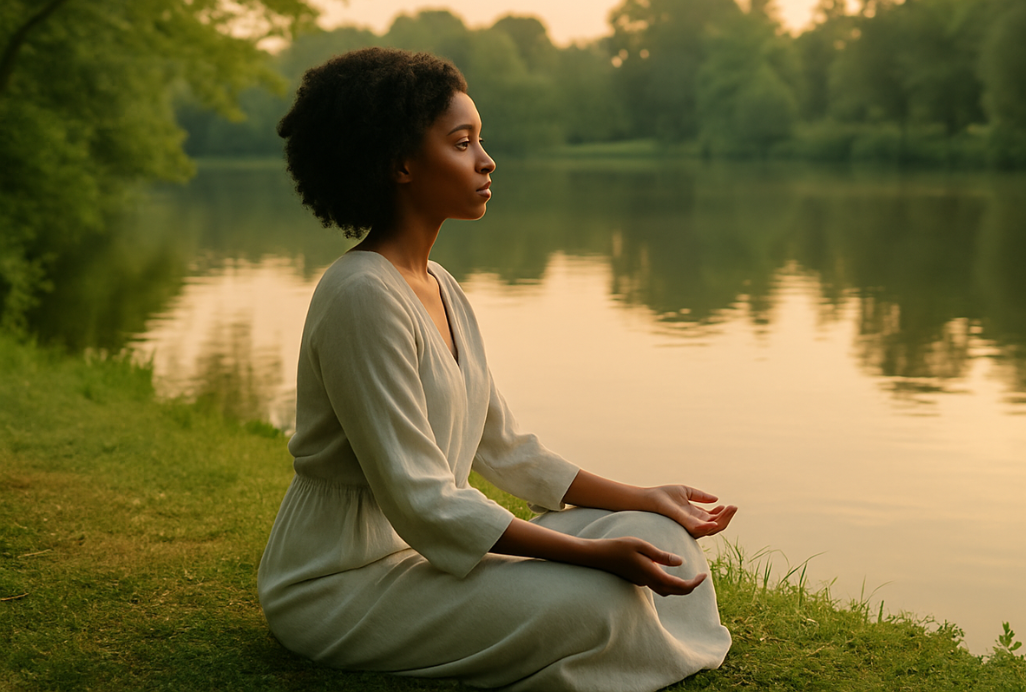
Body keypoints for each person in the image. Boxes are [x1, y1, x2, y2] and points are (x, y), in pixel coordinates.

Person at [258, 47, 736, 691]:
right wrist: (591, 554)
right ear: (400, 163)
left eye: (481, 140)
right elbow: (423, 501)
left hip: (432, 561)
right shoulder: (360, 295)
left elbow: (506, 449)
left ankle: (631, 610)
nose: (486, 161)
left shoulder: (443, 287)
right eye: (462, 143)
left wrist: (642, 496)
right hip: (344, 583)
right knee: (599, 600)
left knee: (655, 531)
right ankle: (619, 628)